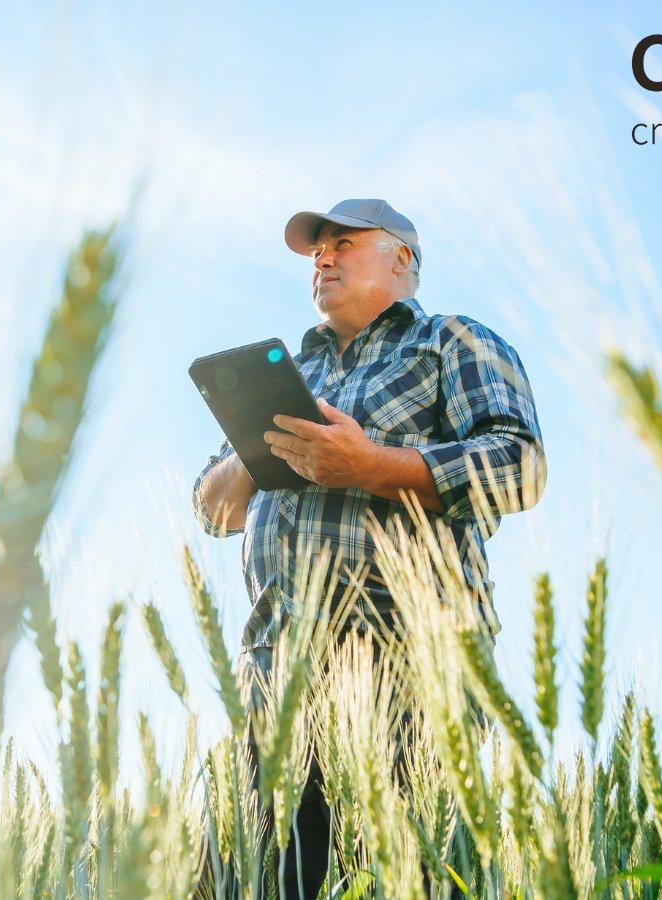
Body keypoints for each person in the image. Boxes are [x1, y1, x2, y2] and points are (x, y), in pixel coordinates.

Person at [191, 198, 546, 897]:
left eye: (343, 243)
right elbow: (211, 511)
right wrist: (253, 447)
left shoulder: (451, 341)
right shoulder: (289, 372)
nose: (322, 258)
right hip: (274, 691)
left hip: (413, 686)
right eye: (317, 250)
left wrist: (370, 466)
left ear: (402, 260)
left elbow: (519, 466)